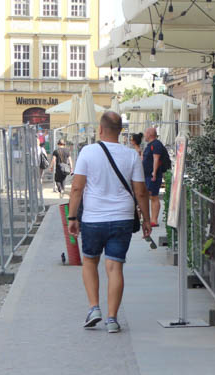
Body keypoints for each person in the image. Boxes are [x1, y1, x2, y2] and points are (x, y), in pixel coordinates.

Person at [67, 111, 153, 333]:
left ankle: (94, 308)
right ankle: (112, 319)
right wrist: (146, 219)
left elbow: (77, 188)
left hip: (94, 217)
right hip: (123, 217)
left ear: (100, 129)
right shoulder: (131, 155)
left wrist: (72, 216)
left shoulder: (87, 152)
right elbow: (141, 191)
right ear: (121, 131)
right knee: (115, 267)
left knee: (89, 262)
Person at [141, 127, 170, 228]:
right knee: (150, 196)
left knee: (154, 196)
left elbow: (156, 159)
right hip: (148, 175)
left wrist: (154, 173)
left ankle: (154, 220)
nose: (144, 135)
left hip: (153, 176)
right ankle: (150, 218)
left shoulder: (156, 145)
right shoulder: (150, 145)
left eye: (145, 133)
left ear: (149, 134)